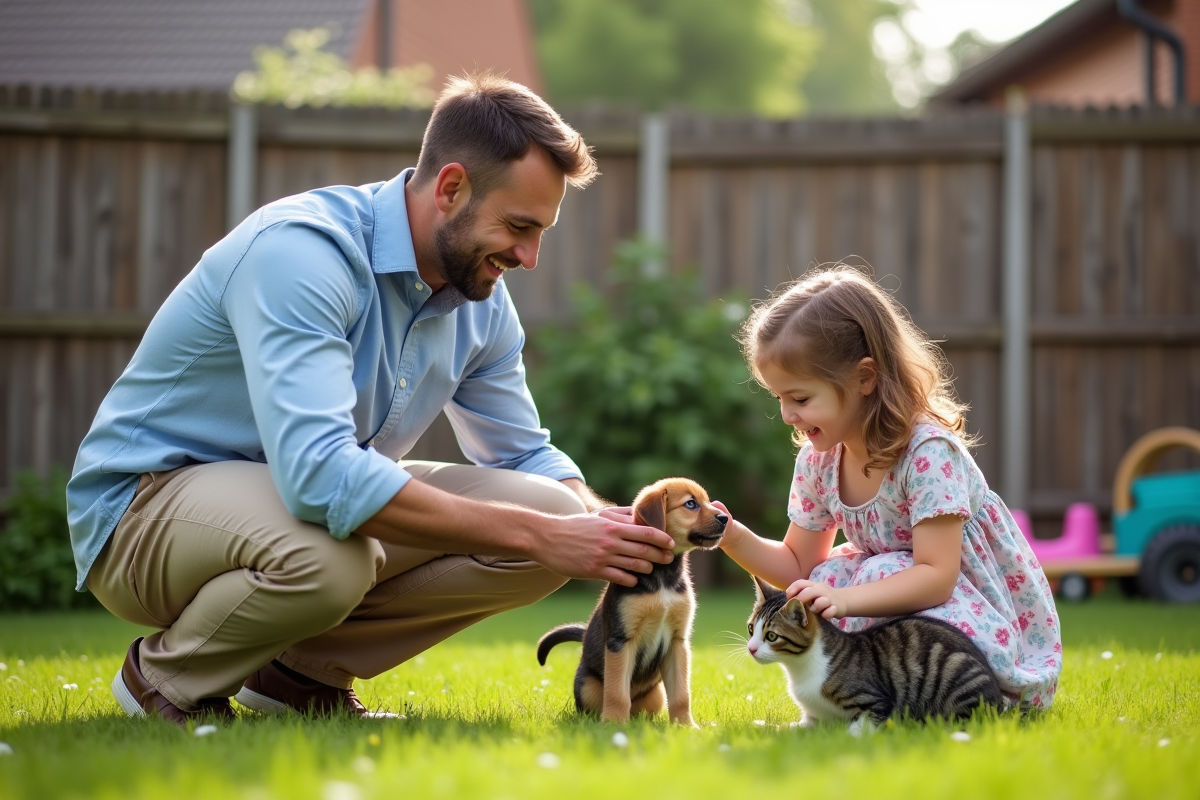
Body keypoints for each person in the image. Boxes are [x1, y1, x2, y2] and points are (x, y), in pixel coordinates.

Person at [66, 72, 676, 725]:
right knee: (337, 555)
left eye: (541, 233)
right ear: (450, 188)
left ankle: (299, 675)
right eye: (518, 226)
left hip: (283, 507)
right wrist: (539, 534)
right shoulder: (304, 254)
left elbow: (524, 453)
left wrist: (607, 528)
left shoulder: (480, 302)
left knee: (551, 506)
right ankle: (164, 680)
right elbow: (321, 478)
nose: (529, 257)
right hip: (142, 510)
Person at [717, 266, 1061, 709]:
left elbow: (936, 576)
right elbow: (800, 564)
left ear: (864, 378)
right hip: (892, 611)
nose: (787, 415)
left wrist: (844, 600)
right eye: (778, 398)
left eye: (800, 399)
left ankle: (952, 696)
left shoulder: (928, 453)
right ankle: (875, 699)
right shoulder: (819, 460)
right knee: (826, 578)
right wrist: (731, 535)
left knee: (865, 576)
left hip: (959, 616)